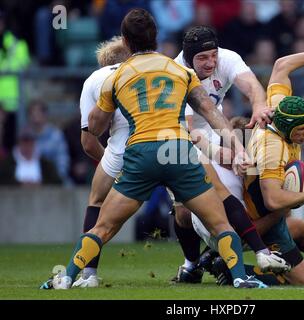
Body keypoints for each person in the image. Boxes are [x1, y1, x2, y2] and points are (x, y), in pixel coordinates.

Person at [41, 8, 267, 290]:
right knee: (220, 224)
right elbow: (211, 112)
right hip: (178, 152)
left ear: (125, 40)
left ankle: (67, 277)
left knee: (103, 227)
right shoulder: (180, 70)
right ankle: (240, 278)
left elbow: (95, 129)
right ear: (156, 37)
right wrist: (238, 147)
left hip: (142, 153)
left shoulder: (116, 76)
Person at [193, 33, 304, 286]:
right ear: (288, 129)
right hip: (255, 224)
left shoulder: (277, 108)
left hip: (241, 215)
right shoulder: (273, 150)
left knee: (302, 228)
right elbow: (273, 200)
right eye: (302, 129)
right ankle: (233, 267)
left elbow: (282, 65)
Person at [170, 26, 285, 283]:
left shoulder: (227, 58)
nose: (211, 63)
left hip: (215, 126)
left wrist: (258, 108)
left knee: (228, 188)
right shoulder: (177, 72)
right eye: (203, 58)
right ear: (188, 57)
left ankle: (239, 250)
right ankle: (192, 264)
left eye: (213, 55)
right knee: (184, 213)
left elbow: (254, 87)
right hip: (178, 136)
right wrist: (224, 153)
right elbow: (190, 130)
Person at [69, 36, 131, 287]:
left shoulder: (95, 79)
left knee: (96, 202)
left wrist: (113, 166)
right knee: (193, 206)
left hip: (122, 150)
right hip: (169, 147)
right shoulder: (147, 70)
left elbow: (88, 142)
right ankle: (196, 264)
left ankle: (89, 274)